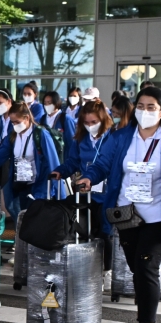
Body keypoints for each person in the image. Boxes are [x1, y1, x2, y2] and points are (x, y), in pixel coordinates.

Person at [76, 87, 161, 323]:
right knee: (136, 268)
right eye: (141, 106)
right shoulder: (120, 137)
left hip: (158, 217)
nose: (144, 111)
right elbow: (102, 165)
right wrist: (89, 178)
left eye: (151, 107)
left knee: (146, 267)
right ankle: (144, 316)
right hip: (126, 215)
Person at [55, 100, 116, 266]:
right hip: (85, 191)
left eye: (94, 122)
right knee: (84, 229)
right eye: (87, 123)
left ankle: (107, 269)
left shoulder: (113, 137)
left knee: (105, 231)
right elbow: (73, 161)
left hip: (106, 192)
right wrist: (61, 171)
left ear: (103, 120)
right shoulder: (81, 138)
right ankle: (87, 266)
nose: (90, 126)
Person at [0, 100, 61, 220]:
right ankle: (21, 238)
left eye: (17, 122)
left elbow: (53, 162)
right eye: (12, 122)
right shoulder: (13, 136)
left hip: (39, 184)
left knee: (35, 218)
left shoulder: (41, 134)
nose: (15, 125)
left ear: (27, 118)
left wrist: (60, 194)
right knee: (22, 215)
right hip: (21, 183)